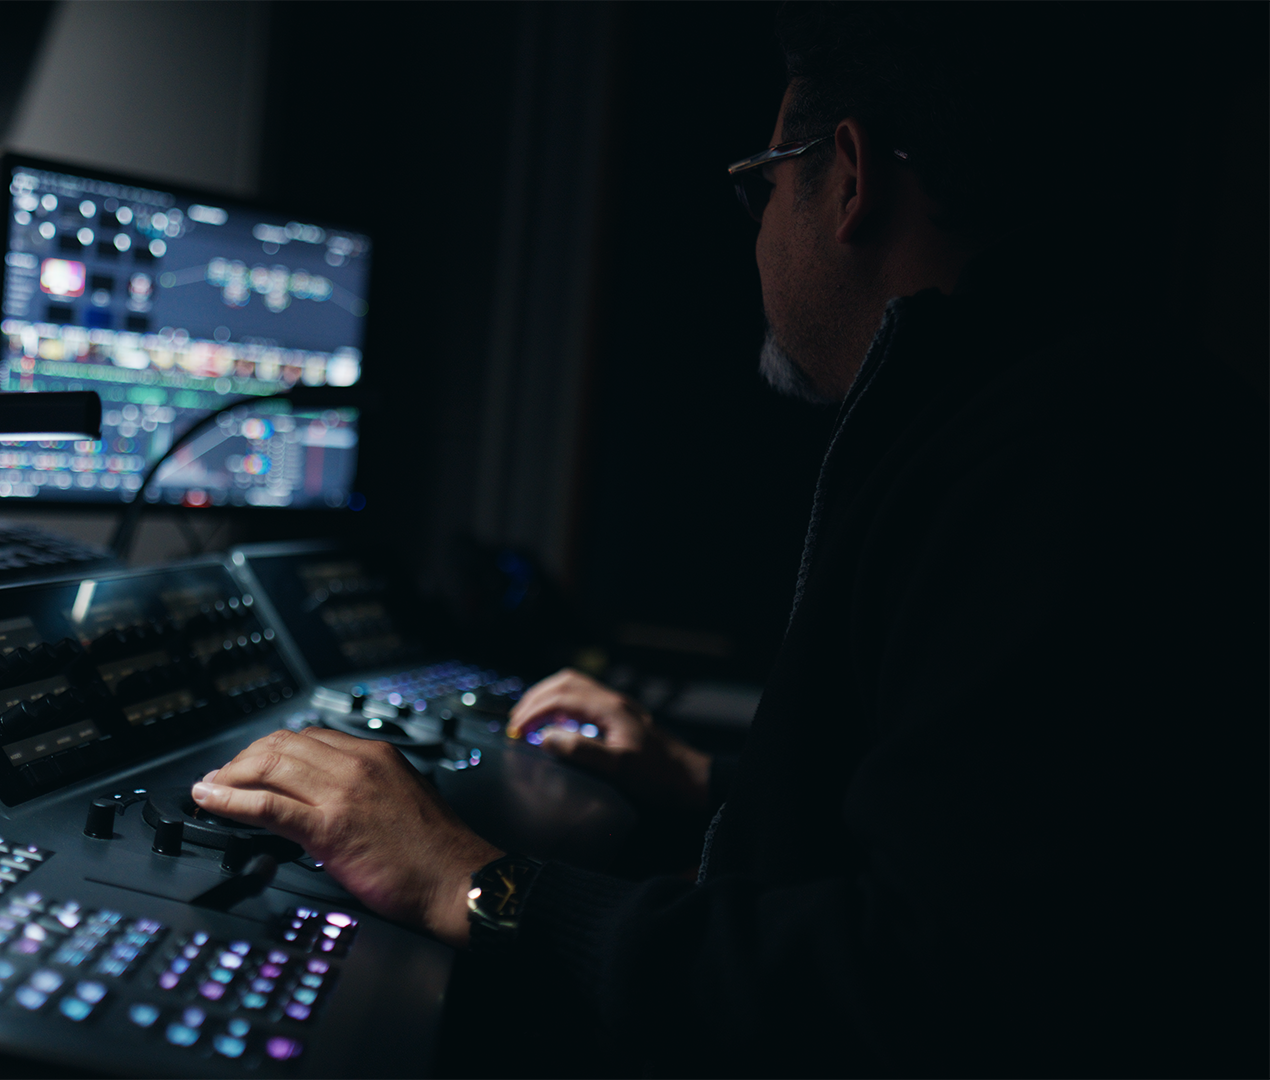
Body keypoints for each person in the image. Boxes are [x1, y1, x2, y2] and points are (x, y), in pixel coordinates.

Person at [190, 5, 1265, 1074]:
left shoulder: (1050, 466)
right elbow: (971, 819)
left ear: (847, 178)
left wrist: (468, 881)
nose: (755, 231)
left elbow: (914, 990)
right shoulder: (1076, 403)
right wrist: (700, 776)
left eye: (762, 183)